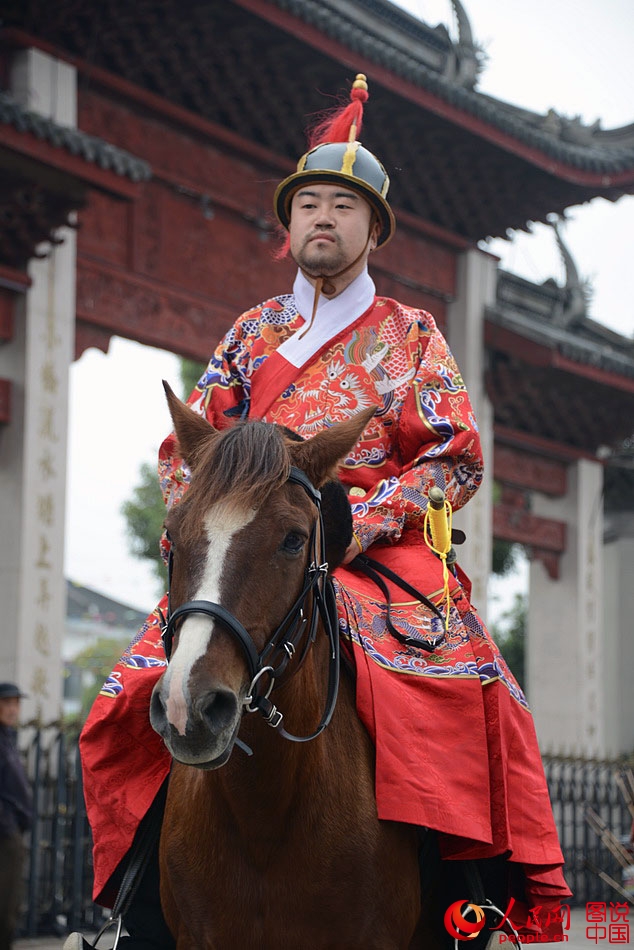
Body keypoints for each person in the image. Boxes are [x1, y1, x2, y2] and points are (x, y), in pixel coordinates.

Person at [65, 74, 570, 949]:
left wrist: (360, 518)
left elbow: (457, 453)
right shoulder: (248, 335)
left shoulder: (411, 335)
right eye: (307, 205)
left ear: (374, 228)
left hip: (375, 549)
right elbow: (186, 449)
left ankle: (470, 909)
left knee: (476, 685)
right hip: (249, 547)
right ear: (288, 226)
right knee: (132, 693)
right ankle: (136, 911)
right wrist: (195, 527)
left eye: (342, 205)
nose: (322, 219)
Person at [0, 683, 33, 950]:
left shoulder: (7, 737)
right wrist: (8, 822)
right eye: (6, 703)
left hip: (11, 831)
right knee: (4, 906)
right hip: (4, 833)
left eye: (16, 703)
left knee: (10, 904)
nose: (13, 709)